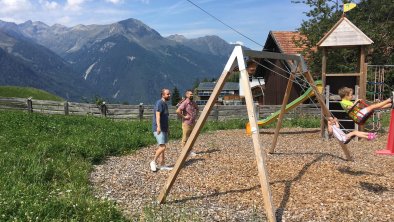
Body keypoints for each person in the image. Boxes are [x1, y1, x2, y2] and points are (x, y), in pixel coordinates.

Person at [150, 88, 173, 172]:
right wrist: (158, 127)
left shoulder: (165, 104)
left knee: (162, 146)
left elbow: (166, 117)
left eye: (169, 94)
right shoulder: (159, 103)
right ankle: (153, 162)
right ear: (163, 95)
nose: (169, 95)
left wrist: (168, 128)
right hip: (158, 128)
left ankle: (162, 165)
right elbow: (157, 115)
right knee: (163, 147)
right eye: (168, 94)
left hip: (164, 128)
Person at [176, 89, 199, 156]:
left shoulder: (193, 102)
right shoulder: (185, 103)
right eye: (190, 94)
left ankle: (190, 150)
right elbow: (177, 111)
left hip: (192, 122)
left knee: (192, 137)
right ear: (187, 95)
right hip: (186, 123)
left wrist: (196, 115)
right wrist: (184, 117)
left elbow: (197, 108)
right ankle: (184, 152)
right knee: (185, 138)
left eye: (192, 94)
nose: (192, 95)